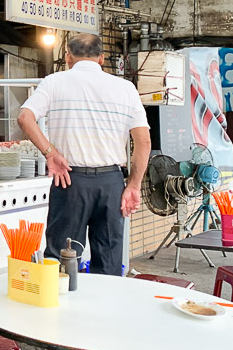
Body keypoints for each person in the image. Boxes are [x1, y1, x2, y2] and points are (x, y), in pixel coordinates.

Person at [17, 33, 150, 277]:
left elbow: (25, 117)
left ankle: (60, 312)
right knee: (109, 260)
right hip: (112, 183)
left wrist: (50, 153)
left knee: (61, 259)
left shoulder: (54, 82)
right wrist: (134, 185)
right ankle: (103, 312)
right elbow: (143, 141)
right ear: (102, 58)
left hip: (69, 181)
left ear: (68, 57)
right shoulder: (125, 88)